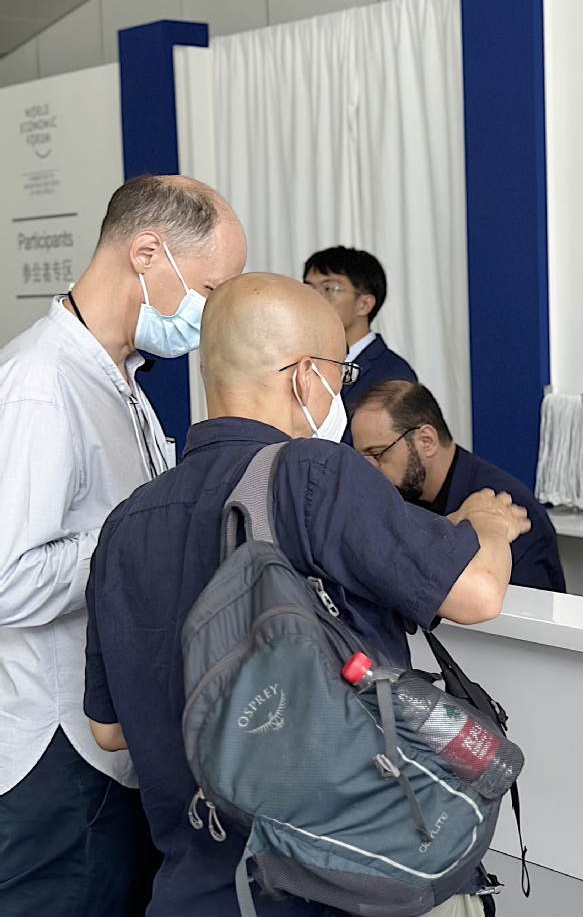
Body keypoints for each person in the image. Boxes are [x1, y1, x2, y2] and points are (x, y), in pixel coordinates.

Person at [83, 273, 528, 917]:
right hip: (340, 885)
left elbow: (110, 730)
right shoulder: (313, 472)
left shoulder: (127, 522)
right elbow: (478, 593)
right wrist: (486, 525)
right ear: (304, 377)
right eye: (340, 374)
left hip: (199, 889)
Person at [0, 175, 246, 915]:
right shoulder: (39, 384)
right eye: (210, 288)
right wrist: (136, 542)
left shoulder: (123, 382)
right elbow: (7, 580)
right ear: (147, 253)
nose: (212, 312)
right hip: (56, 752)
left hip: (115, 739)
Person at [352, 380, 567, 593]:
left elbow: (525, 611)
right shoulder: (392, 496)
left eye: (378, 454)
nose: (370, 470)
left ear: (426, 441)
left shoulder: (509, 509)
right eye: (362, 459)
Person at [302, 245, 417, 442]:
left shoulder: (392, 374)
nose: (314, 297)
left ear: (364, 304)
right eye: (309, 287)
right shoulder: (302, 362)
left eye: (329, 289)